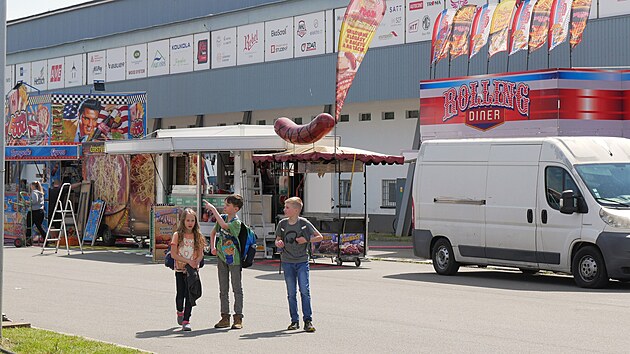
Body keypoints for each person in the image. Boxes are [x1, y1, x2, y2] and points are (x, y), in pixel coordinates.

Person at [275, 197, 323, 332]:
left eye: (287, 207)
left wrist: (306, 240)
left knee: (304, 291)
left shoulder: (304, 223)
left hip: (301, 261)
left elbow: (319, 236)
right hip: (287, 261)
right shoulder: (282, 224)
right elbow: (278, 238)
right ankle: (294, 321)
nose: (284, 209)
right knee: (291, 293)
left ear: (296, 210)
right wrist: (278, 243)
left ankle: (308, 320)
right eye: (284, 207)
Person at [204, 195, 245, 330]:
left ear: (236, 209)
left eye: (228, 205)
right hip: (221, 258)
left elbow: (223, 225)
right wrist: (213, 247)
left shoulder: (236, 223)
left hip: (234, 259)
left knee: (236, 288)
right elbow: (213, 232)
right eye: (225, 204)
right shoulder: (222, 216)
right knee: (223, 289)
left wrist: (213, 210)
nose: (225, 207)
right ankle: (224, 317)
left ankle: (238, 317)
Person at [170, 208, 205, 331]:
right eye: (188, 220)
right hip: (180, 269)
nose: (190, 223)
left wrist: (197, 261)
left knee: (190, 295)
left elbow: (201, 254)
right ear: (183, 221)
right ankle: (180, 311)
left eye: (192, 220)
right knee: (180, 295)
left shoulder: (198, 236)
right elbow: (173, 254)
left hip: (192, 271)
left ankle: (186, 320)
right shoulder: (177, 235)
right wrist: (187, 261)